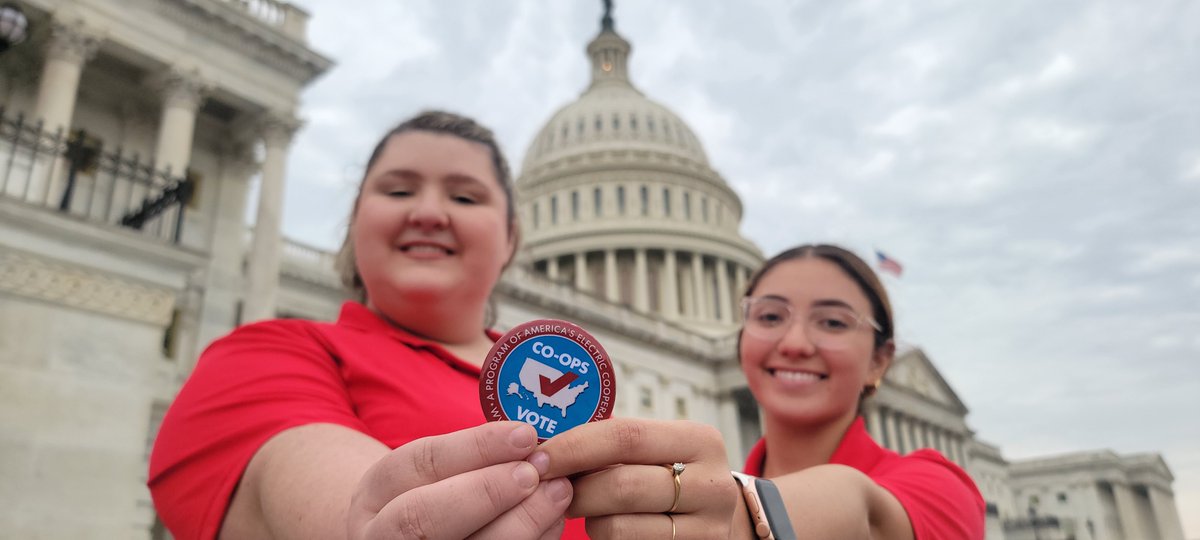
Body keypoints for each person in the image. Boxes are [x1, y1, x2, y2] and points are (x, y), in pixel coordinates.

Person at [148, 110, 590, 539]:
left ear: (510, 237)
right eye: (398, 191)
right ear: (355, 221)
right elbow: (352, 511)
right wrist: (381, 521)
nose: (428, 213)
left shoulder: (578, 376)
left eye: (465, 198)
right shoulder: (261, 356)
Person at [536, 244, 986, 539]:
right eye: (770, 317)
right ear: (740, 339)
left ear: (880, 360)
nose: (795, 343)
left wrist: (741, 517)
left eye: (833, 322)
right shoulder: (629, 510)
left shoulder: (942, 488)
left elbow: (864, 512)